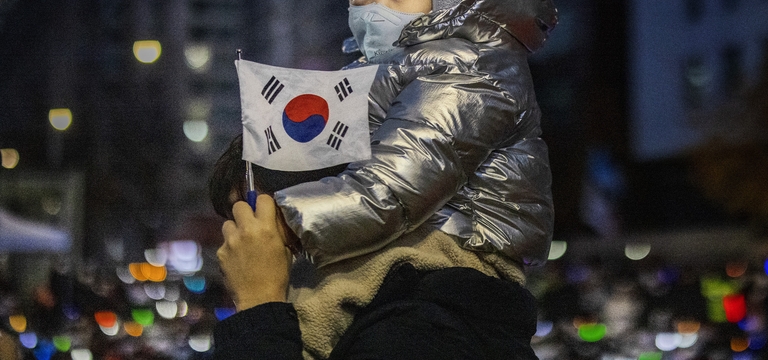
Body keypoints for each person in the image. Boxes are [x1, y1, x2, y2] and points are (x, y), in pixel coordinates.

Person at [215, 0, 558, 359]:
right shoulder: (378, 72)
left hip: (456, 245)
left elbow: (391, 188)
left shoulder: (470, 71)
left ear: (451, 0)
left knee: (314, 311)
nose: (375, 8)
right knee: (318, 303)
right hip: (407, 239)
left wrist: (287, 222)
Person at [211, 135, 540, 359]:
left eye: (258, 214)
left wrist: (259, 301)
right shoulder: (361, 310)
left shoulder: (421, 328)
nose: (243, 237)